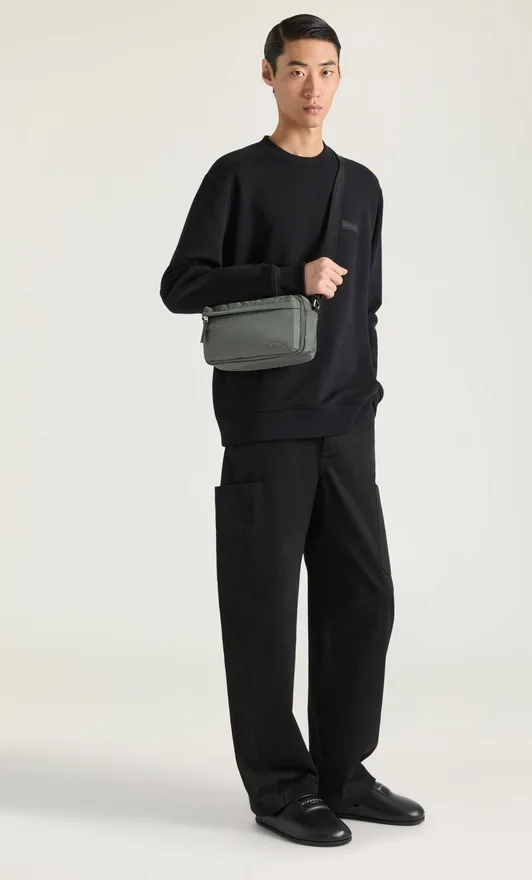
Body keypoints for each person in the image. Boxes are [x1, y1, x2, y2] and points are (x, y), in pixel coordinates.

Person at [159, 13, 424, 847]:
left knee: (364, 598)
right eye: (298, 69)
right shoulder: (236, 176)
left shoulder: (362, 187)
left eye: (328, 70)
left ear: (342, 77)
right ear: (269, 74)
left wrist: (364, 396)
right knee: (263, 608)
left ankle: (342, 773)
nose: (314, 87)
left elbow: (366, 306)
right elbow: (181, 286)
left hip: (346, 422)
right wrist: (286, 276)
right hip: (265, 425)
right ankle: (279, 787)